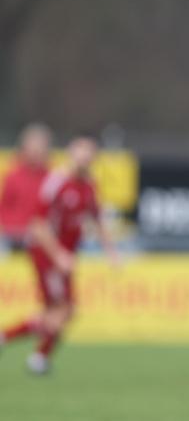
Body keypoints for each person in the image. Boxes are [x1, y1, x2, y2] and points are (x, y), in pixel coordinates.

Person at [0, 135, 118, 374]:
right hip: (46, 254)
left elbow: (98, 218)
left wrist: (111, 252)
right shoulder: (56, 182)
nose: (85, 159)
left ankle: (38, 357)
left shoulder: (89, 185)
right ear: (71, 154)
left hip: (64, 257)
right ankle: (20, 345)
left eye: (89, 154)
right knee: (62, 310)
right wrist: (58, 256)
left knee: (63, 311)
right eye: (80, 153)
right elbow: (37, 225)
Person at [0, 123, 52, 248]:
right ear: (24, 148)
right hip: (12, 235)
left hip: (40, 237)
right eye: (32, 147)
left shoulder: (52, 178)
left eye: (39, 147)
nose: (35, 152)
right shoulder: (12, 176)